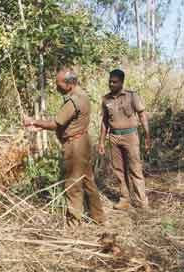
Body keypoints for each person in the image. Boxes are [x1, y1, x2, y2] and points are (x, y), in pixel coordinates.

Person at [24, 67, 105, 225]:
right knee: (88, 180)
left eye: (59, 83)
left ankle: (74, 222)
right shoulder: (82, 96)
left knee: (73, 183)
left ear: (70, 84)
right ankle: (99, 218)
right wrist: (42, 126)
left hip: (75, 145)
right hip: (83, 141)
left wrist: (32, 121)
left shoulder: (73, 101)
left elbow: (56, 123)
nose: (56, 86)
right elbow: (67, 123)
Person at [98, 69, 150, 210]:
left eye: (115, 82)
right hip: (114, 137)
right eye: (110, 81)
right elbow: (104, 121)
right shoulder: (106, 99)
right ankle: (125, 199)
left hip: (130, 136)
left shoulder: (131, 96)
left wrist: (147, 136)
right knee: (118, 170)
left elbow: (142, 115)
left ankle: (141, 201)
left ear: (122, 82)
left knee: (135, 168)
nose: (111, 84)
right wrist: (102, 142)